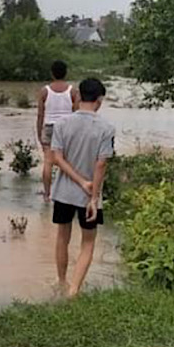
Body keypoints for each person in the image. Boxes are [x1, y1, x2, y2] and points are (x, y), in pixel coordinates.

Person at [50, 77, 114, 297]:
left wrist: (77, 180)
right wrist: (93, 195)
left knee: (62, 237)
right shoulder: (106, 128)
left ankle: (61, 282)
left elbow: (56, 157)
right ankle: (74, 290)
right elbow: (101, 163)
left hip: (63, 192)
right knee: (88, 242)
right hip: (89, 196)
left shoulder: (61, 124)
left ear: (77, 96)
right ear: (99, 100)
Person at [36, 60, 80, 203]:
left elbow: (40, 115)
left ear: (52, 73)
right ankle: (65, 193)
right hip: (67, 128)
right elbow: (77, 113)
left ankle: (47, 195)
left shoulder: (44, 91)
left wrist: (39, 133)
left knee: (48, 162)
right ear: (65, 73)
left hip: (49, 127)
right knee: (67, 162)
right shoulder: (73, 91)